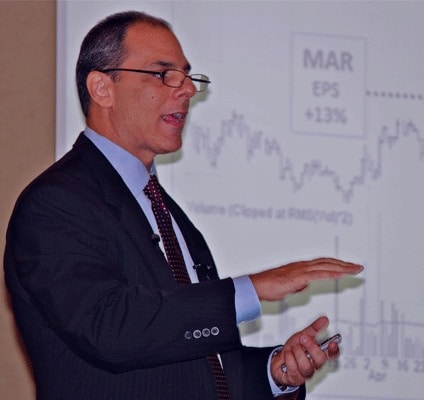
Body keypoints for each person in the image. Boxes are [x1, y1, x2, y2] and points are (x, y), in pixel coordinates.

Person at [3, 10, 363, 400]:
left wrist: (276, 372)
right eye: (163, 74)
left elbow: (195, 365)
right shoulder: (56, 203)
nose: (187, 89)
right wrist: (250, 290)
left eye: (187, 75)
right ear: (102, 88)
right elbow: (110, 330)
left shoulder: (167, 212)